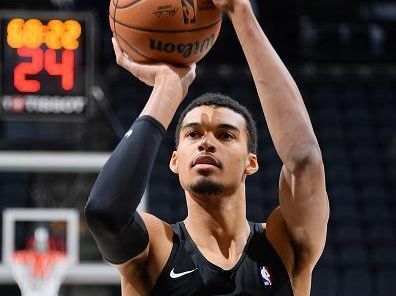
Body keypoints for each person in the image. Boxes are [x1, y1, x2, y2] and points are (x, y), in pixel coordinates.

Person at [84, 0, 329, 295]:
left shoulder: (283, 244)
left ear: (251, 162)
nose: (206, 142)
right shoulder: (158, 250)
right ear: (175, 160)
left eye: (226, 135)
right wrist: (166, 91)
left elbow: (304, 160)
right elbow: (104, 213)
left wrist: (240, 13)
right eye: (193, 134)